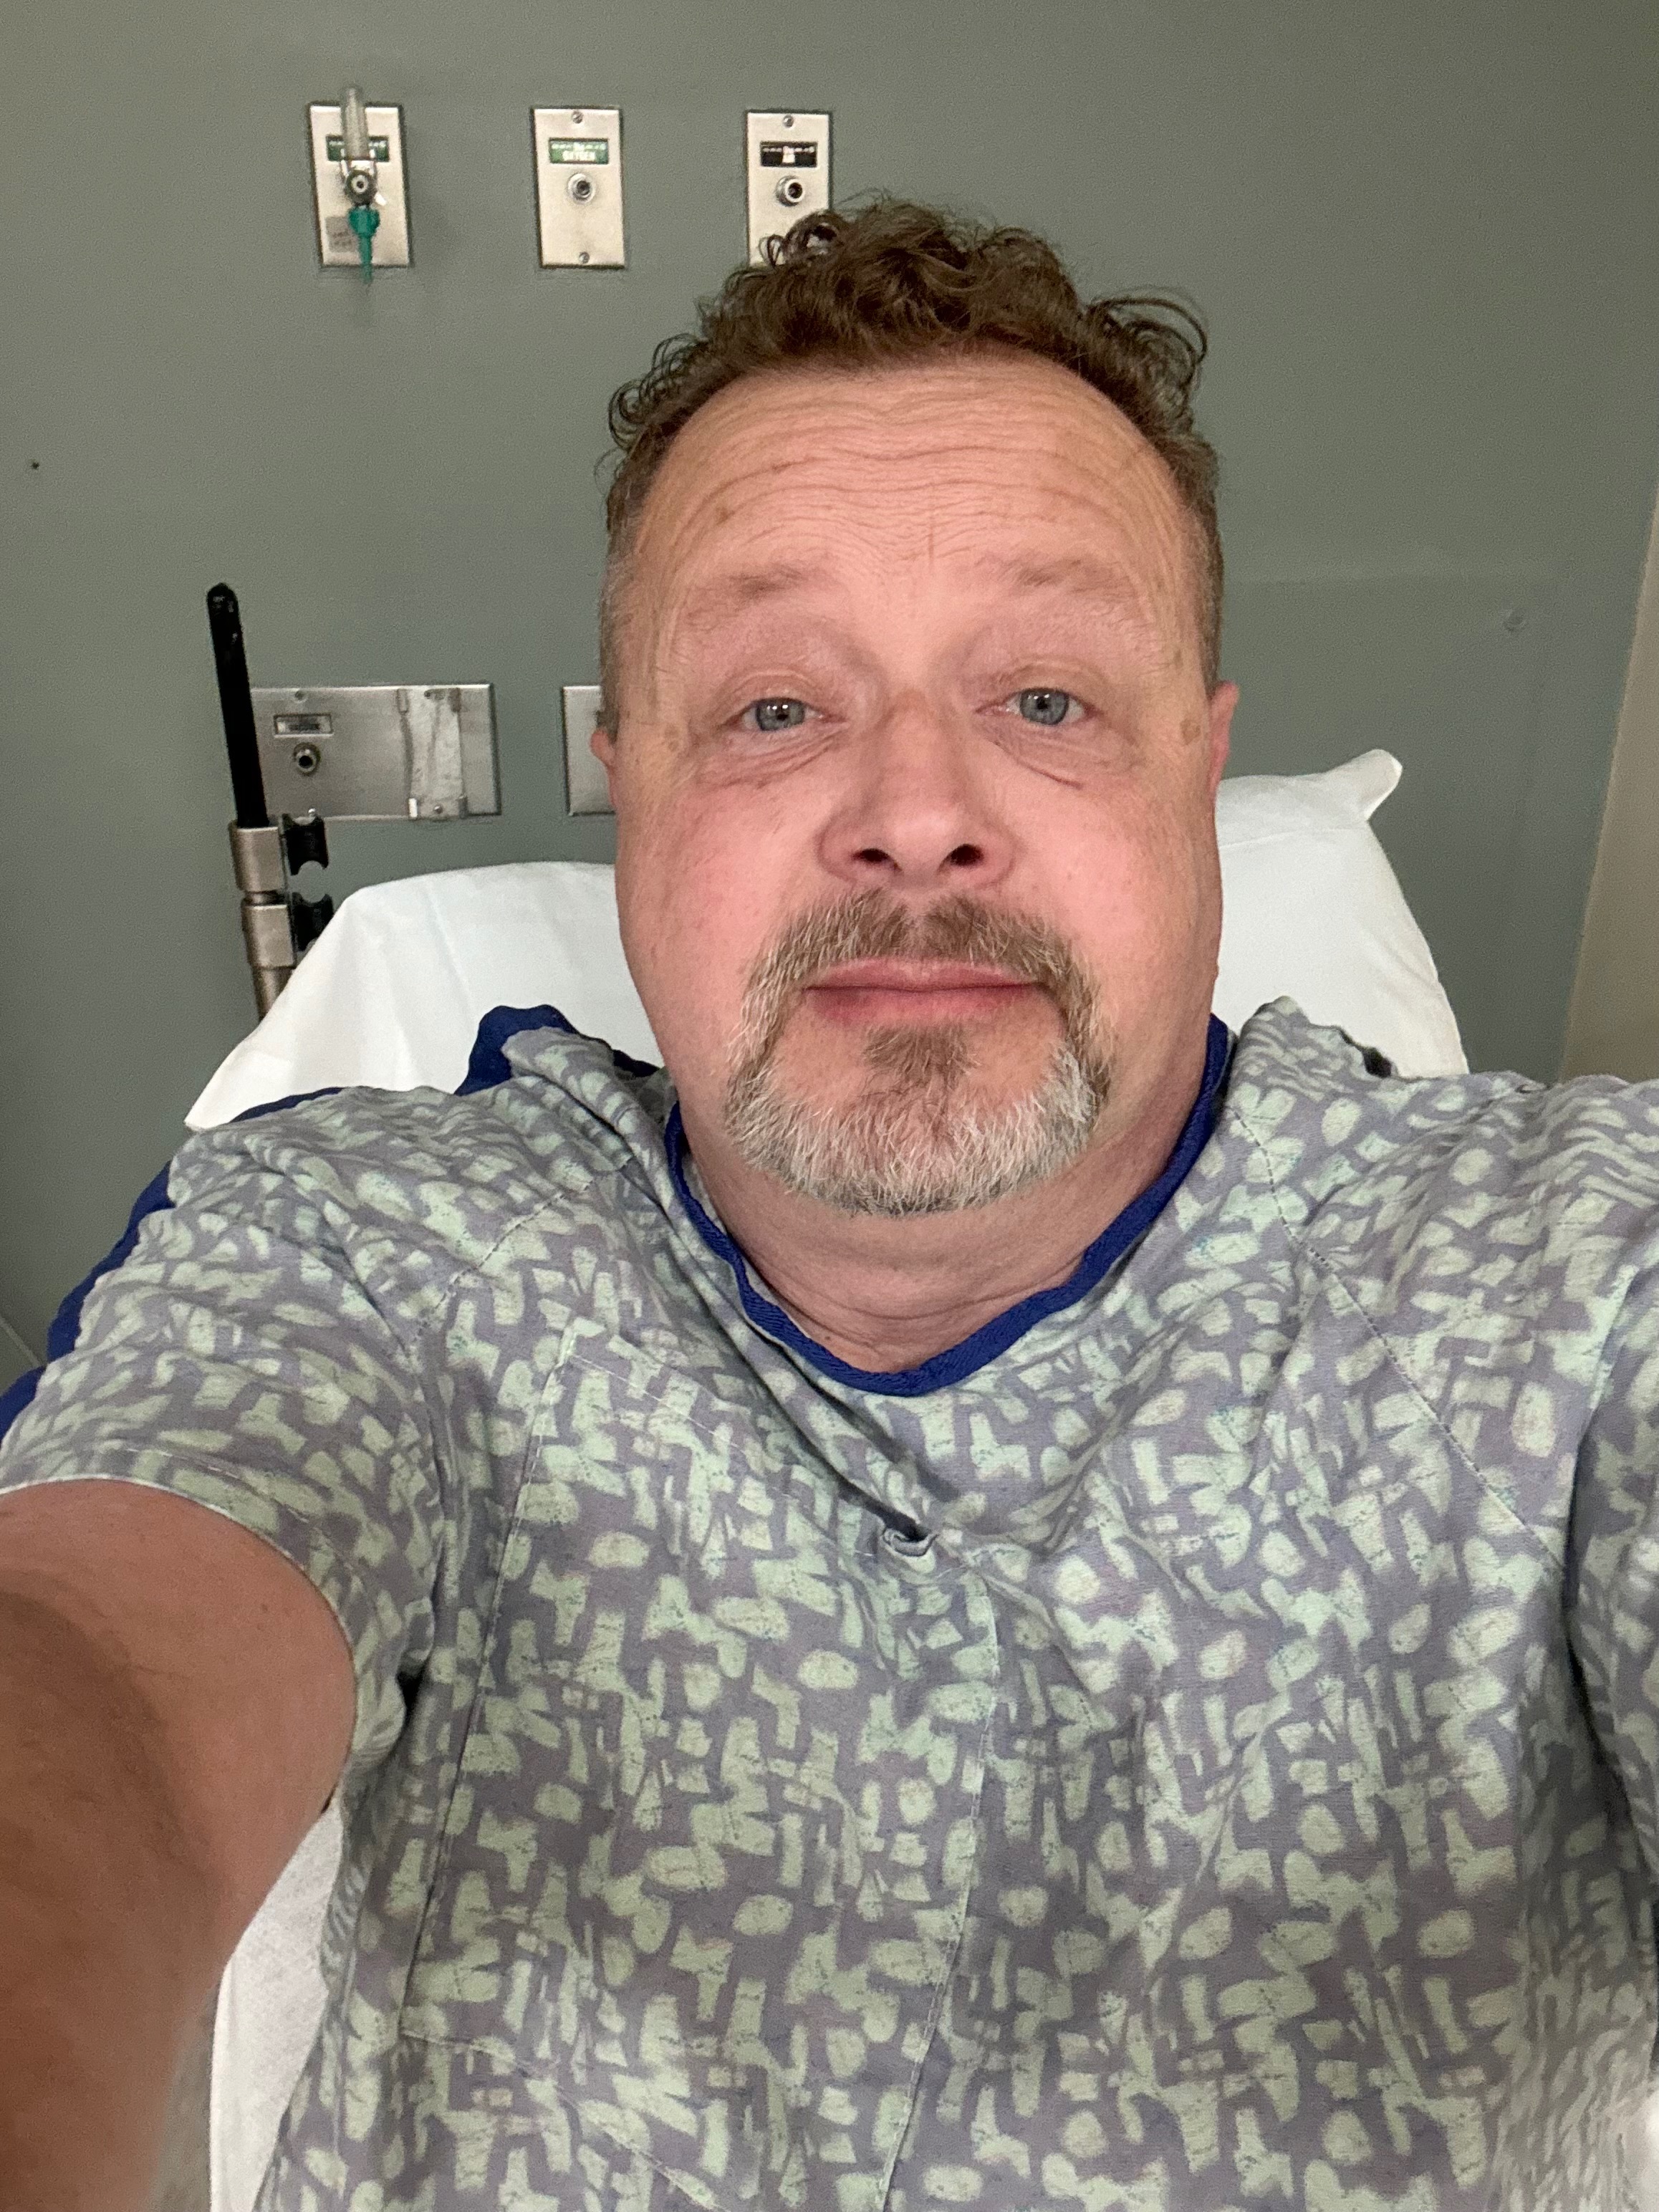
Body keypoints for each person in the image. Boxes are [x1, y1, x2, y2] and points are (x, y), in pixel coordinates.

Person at [1, 198, 1656, 2212]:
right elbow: (93, 1672)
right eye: (776, 707)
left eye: (1046, 698)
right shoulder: (372, 1249)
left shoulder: (1564, 1281)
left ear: (1198, 772)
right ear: (632, 780)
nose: (915, 813)